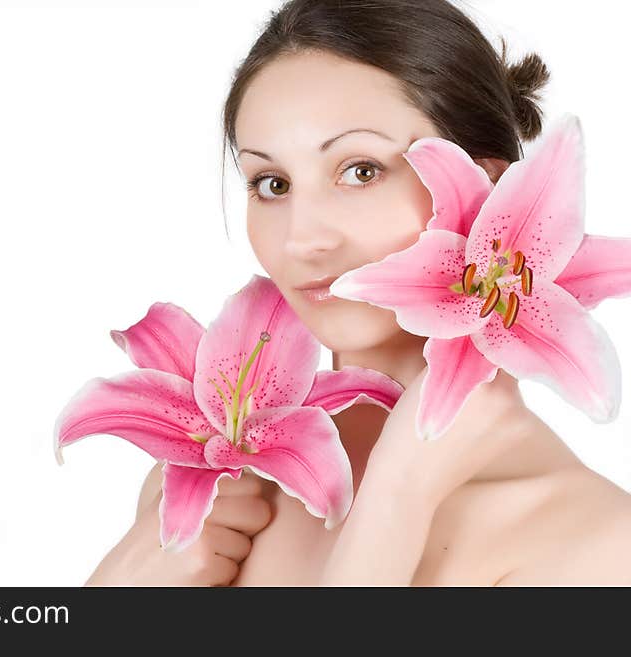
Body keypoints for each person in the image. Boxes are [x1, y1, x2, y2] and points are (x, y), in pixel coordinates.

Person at [84, 0, 631, 586]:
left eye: (361, 171)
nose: (303, 239)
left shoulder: (597, 542)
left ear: (490, 184)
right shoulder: (210, 493)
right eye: (272, 184)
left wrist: (396, 499)